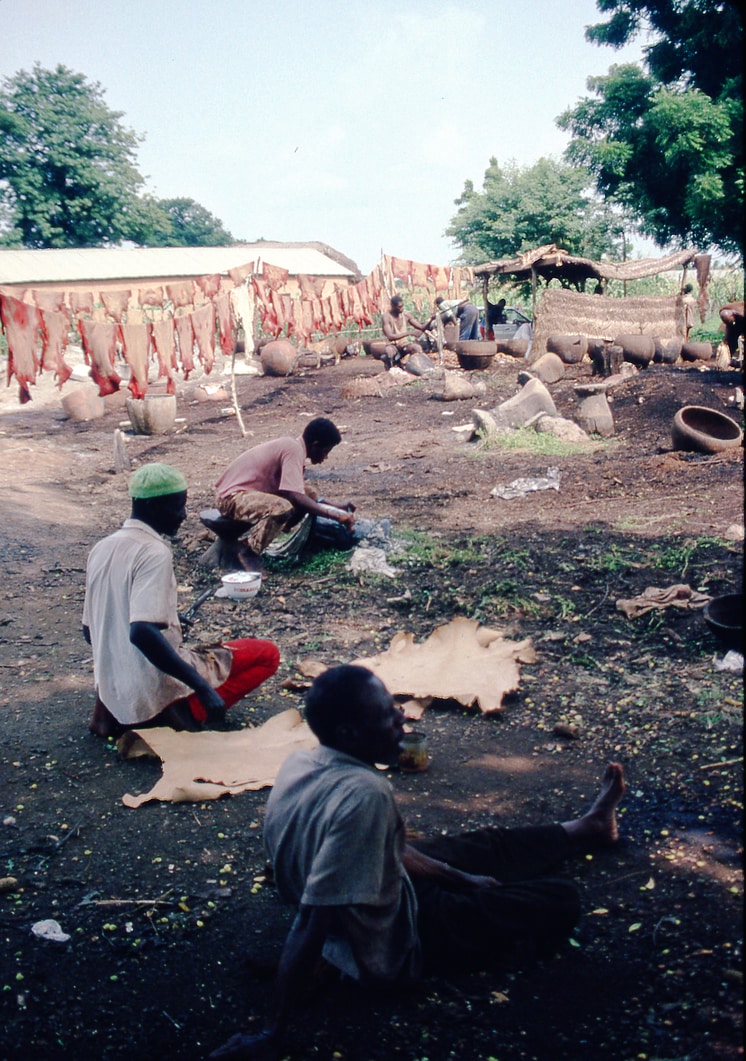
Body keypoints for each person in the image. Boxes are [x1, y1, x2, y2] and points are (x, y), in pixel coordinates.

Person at [209, 664, 626, 1061]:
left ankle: (587, 828)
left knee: (482, 848)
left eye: (394, 707)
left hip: (379, 893)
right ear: (348, 732)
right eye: (386, 717)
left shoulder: (304, 761)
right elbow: (311, 920)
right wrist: (273, 1033)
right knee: (560, 899)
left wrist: (463, 879)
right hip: (391, 939)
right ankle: (339, 962)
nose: (401, 721)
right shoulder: (365, 793)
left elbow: (379, 850)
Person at [83, 463, 280, 738]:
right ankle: (176, 712)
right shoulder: (154, 552)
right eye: (177, 507)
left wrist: (169, 626)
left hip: (115, 689)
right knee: (267, 654)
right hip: (150, 690)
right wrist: (201, 686)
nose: (183, 515)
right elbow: (141, 632)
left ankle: (111, 709)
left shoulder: (101, 548)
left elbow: (90, 631)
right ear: (153, 508)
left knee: (155, 647)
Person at [214, 418, 355, 558]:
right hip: (230, 498)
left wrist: (336, 507)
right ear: (315, 445)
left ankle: (275, 531)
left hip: (246, 494)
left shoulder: (294, 447)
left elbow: (300, 493)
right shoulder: (293, 449)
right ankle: (248, 553)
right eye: (325, 451)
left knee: (309, 493)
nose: (326, 457)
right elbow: (294, 496)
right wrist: (335, 516)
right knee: (281, 507)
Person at [379, 294, 434, 369]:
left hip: (404, 344)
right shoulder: (386, 317)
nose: (401, 309)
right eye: (399, 307)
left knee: (417, 348)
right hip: (392, 345)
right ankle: (391, 369)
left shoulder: (406, 315)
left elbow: (421, 327)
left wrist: (431, 320)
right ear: (393, 306)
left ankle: (417, 367)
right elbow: (390, 336)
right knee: (389, 351)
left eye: (402, 306)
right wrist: (409, 333)